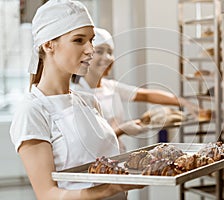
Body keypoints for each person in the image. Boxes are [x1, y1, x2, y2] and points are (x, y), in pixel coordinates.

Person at [9, 1, 143, 199]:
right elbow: (47, 194)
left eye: (91, 40)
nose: (90, 49)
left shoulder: (89, 102)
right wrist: (107, 189)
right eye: (79, 40)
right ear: (48, 45)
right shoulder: (33, 111)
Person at [71, 27, 200, 137]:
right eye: (99, 51)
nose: (107, 58)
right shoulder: (75, 94)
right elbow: (88, 141)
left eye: (110, 52)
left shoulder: (110, 86)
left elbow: (145, 95)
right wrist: (121, 130)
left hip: (117, 155)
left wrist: (184, 102)